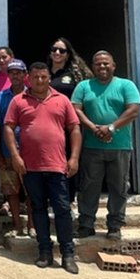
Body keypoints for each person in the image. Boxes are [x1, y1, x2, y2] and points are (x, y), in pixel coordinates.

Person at [4, 62, 81, 274]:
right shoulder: (18, 101)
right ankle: (44, 251)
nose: (40, 81)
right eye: (36, 77)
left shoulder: (62, 100)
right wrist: (15, 155)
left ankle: (67, 254)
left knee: (62, 210)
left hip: (57, 165)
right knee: (37, 208)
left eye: (43, 77)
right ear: (29, 77)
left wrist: (73, 158)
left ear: (49, 77)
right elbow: (8, 128)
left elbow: (74, 129)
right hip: (30, 166)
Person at [72, 51, 140, 241]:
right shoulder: (84, 86)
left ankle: (114, 226)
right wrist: (93, 128)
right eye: (97, 64)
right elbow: (75, 109)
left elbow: (134, 110)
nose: (102, 67)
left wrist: (111, 127)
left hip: (120, 146)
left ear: (113, 65)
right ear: (92, 67)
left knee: (118, 188)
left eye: (105, 64)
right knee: (88, 187)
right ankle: (86, 224)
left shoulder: (126, 85)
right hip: (91, 146)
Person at [48, 37, 92, 206]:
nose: (57, 53)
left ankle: (69, 201)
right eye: (54, 49)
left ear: (68, 55)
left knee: (69, 162)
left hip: (69, 126)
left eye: (62, 50)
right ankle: (52, 201)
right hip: (48, 126)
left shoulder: (74, 76)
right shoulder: (44, 73)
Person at [0, 59, 31, 236]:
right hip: (7, 152)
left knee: (32, 191)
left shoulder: (33, 95)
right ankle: (17, 226)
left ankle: (32, 226)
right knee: (11, 192)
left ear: (25, 75)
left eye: (18, 72)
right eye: (11, 72)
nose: (15, 75)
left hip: (30, 153)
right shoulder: (0, 98)